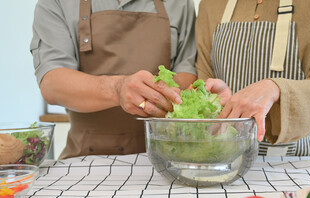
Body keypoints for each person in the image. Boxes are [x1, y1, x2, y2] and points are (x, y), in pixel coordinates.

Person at [30, 0, 197, 159]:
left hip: (165, 158)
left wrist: (164, 95)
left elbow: (188, 72)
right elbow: (52, 83)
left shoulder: (180, 3)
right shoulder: (57, 3)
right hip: (86, 160)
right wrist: (117, 89)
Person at [195, 0, 310, 156]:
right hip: (225, 157)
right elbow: (204, 81)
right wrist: (218, 102)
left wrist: (278, 89)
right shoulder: (210, 4)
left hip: (298, 158)